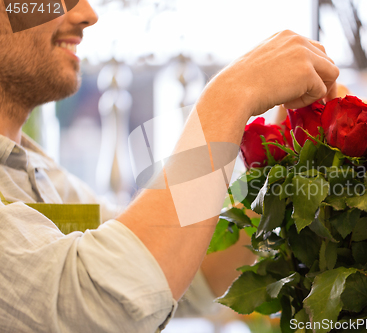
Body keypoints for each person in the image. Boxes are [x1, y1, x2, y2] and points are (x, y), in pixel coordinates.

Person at [0, 0, 339, 331]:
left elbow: (182, 274)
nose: (86, 13)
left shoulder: (40, 175)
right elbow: (104, 304)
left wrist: (276, 158)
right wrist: (232, 93)